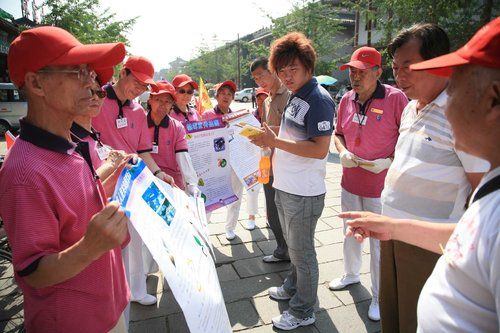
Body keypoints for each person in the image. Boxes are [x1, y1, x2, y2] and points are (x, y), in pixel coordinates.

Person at [341, 17, 499, 332]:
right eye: (395, 67)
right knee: (394, 314)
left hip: (430, 245)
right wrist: (390, 225)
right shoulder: (411, 106)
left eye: (407, 66)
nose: (399, 76)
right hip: (395, 232)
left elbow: (480, 203)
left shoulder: (465, 120)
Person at [0, 26, 129, 332]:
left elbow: (76, 205)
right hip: (73, 321)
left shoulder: (72, 142)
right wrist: (90, 246)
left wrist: (113, 180)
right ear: (36, 83)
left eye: (89, 71)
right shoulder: (24, 171)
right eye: (77, 71)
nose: (91, 81)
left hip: (108, 306)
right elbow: (32, 270)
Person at [250, 32, 335, 330]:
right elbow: (291, 133)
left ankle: (303, 310)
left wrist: (277, 142)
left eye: (293, 69)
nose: (287, 76)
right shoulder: (297, 95)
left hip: (304, 191)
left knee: (302, 252)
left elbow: (319, 149)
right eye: (282, 70)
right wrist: (268, 134)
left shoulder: (319, 99)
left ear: (308, 66)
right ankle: (292, 286)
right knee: (296, 248)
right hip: (285, 185)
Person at [328, 46, 408, 321]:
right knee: (350, 232)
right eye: (352, 71)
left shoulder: (396, 99)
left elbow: (408, 139)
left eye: (362, 72)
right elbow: (338, 134)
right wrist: (342, 152)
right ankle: (351, 274)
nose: (355, 77)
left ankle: (379, 296)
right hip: (351, 181)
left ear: (378, 72)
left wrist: (389, 160)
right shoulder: (346, 99)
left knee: (378, 243)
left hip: (381, 186)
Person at [92, 55, 174, 306]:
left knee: (135, 238)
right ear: (123, 72)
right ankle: (109, 292)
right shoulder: (96, 100)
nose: (138, 89)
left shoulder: (138, 111)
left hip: (132, 180)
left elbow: (142, 150)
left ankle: (136, 290)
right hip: (101, 183)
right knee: (106, 241)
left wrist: (158, 173)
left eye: (143, 86)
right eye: (136, 82)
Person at [250, 56, 290, 263]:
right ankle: (282, 249)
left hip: (286, 165)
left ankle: (291, 252)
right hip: (268, 162)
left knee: (286, 213)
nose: (259, 81)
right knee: (272, 212)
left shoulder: (289, 95)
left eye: (261, 75)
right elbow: (268, 131)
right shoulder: (266, 101)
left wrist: (267, 133)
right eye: (255, 79)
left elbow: (293, 132)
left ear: (272, 70)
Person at [70, 68, 129, 196]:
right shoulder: (68, 139)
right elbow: (77, 195)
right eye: (89, 91)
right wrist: (111, 164)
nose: (95, 97)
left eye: (100, 93)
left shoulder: (91, 133)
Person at [202, 80, 249, 238]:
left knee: (236, 195)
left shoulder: (237, 116)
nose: (226, 96)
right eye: (223, 93)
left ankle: (230, 228)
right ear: (217, 96)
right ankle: (204, 228)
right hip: (214, 164)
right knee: (209, 196)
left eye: (229, 94)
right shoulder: (207, 115)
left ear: (233, 98)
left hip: (235, 162)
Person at [146, 80, 200, 195]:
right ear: (150, 100)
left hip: (172, 183)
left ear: (172, 104)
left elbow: (183, 156)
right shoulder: (140, 123)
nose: (162, 104)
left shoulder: (177, 127)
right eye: (158, 100)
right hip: (146, 181)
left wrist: (191, 183)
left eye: (167, 101)